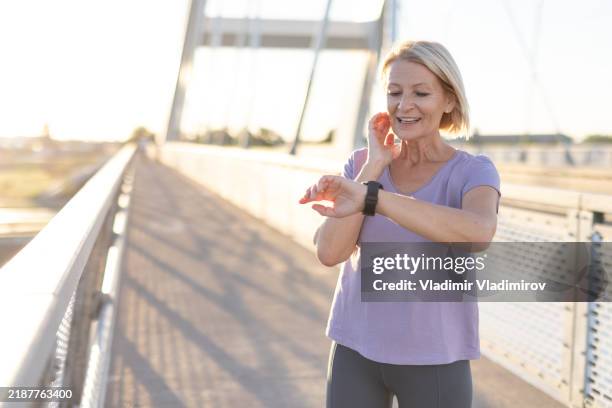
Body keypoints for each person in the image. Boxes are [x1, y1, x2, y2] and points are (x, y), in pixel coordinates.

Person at [298, 40, 500, 408]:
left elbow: (479, 231)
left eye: (421, 93)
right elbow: (329, 253)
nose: (404, 106)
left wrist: (373, 199)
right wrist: (373, 168)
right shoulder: (361, 164)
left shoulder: (474, 171)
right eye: (394, 92)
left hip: (436, 359)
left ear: (449, 101)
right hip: (355, 350)